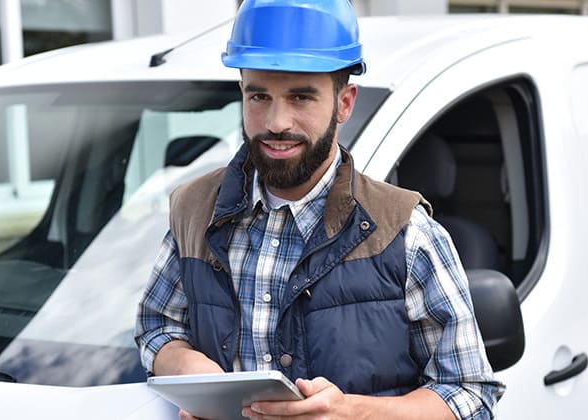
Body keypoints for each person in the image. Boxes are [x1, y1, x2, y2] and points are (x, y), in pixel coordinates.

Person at [135, 0, 505, 418]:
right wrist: (191, 371)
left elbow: (471, 396)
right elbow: (157, 327)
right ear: (241, 92)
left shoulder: (405, 233)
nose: (276, 121)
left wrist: (350, 413)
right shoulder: (193, 211)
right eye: (259, 95)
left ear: (344, 102)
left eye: (301, 97)